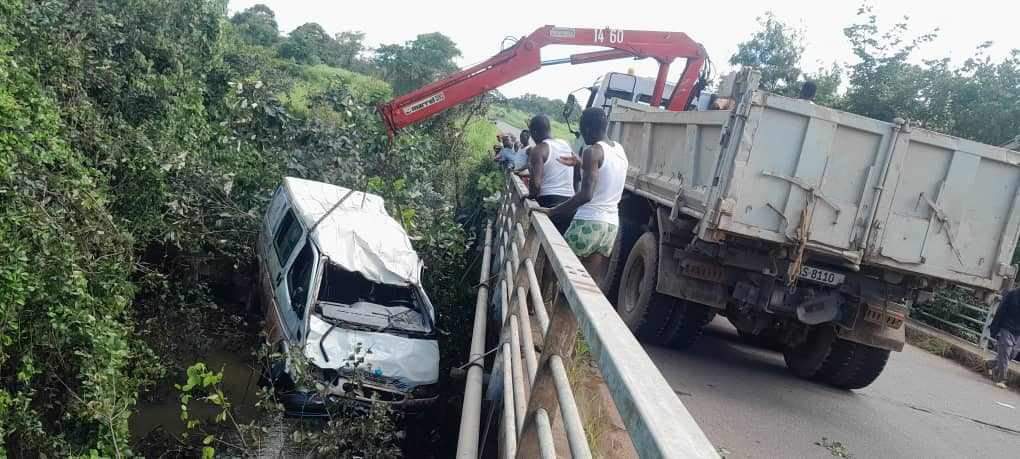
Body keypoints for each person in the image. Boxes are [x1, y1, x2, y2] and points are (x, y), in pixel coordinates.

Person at [540, 107, 628, 289]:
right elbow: (605, 174)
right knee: (584, 283)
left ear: (587, 129)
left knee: (554, 262)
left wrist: (552, 211)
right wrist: (581, 164)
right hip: (610, 226)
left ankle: (539, 304)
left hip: (588, 222)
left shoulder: (592, 151)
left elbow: (586, 195)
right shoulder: (619, 150)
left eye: (581, 131)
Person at [525, 115, 575, 233]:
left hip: (549, 201)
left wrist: (530, 195)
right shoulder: (565, 144)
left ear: (535, 132)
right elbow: (576, 171)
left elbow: (536, 187)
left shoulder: (539, 149)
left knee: (540, 245)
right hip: (569, 204)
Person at [989, 288, 1020, 388]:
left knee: (1012, 354)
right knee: (1006, 353)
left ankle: (989, 364)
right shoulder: (1012, 294)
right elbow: (1001, 310)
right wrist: (994, 328)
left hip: (1018, 332)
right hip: (1006, 327)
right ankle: (1002, 379)